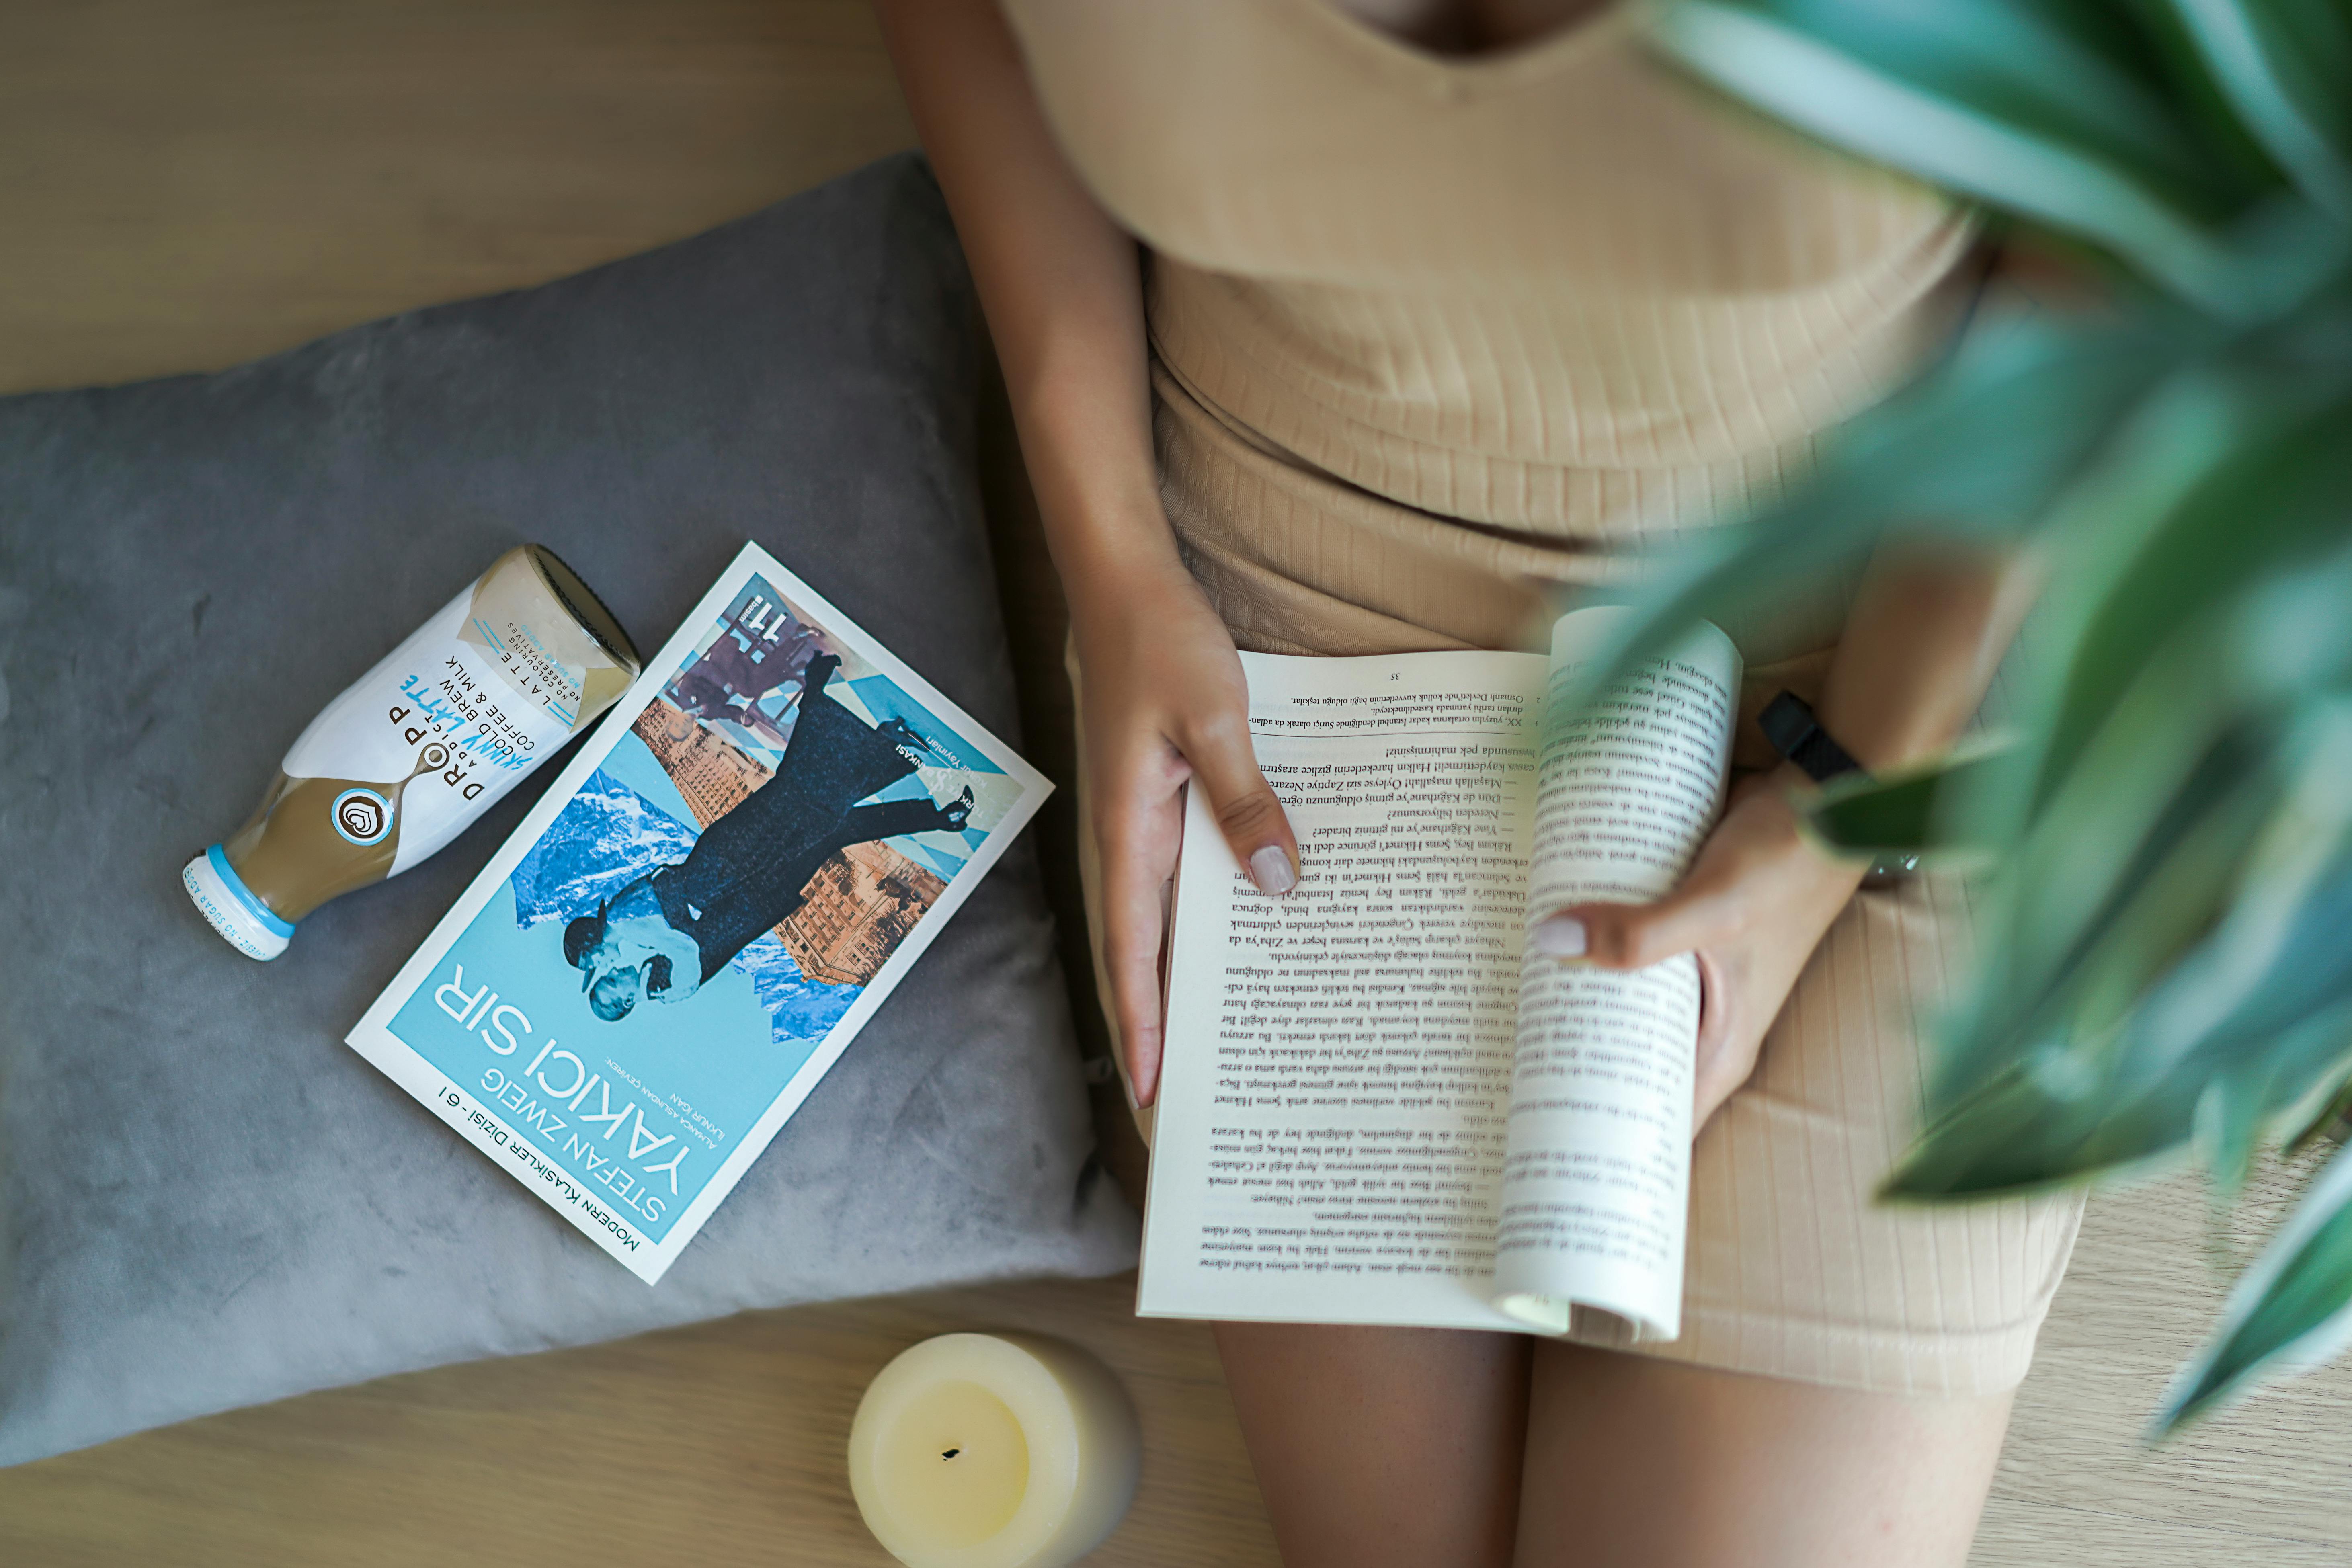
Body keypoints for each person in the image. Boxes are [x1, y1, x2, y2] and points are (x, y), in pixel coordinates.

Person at [875, 4, 2079, 1566]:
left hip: (1901, 603)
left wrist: (1846, 795)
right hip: (1290, 621)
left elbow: (2155, 240)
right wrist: (1108, 562)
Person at [566, 652, 972, 1018]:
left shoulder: (633, 929)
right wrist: (685, 920)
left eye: (597, 968)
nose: (607, 968)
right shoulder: (659, 979)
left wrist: (685, 917)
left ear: (593, 946)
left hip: (730, 871)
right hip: (746, 888)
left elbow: (680, 921)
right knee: (822, 822)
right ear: (624, 1001)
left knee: (807, 807)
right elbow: (685, 933)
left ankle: (876, 738)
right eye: (605, 977)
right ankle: (913, 783)